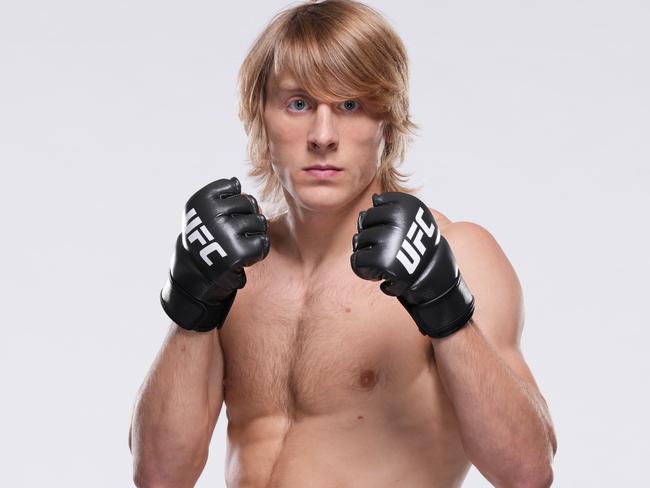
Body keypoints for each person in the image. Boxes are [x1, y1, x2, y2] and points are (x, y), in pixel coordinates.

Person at [129, 1, 557, 486]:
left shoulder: (458, 252)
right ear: (259, 118)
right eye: (298, 104)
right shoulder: (232, 269)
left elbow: (527, 472)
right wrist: (191, 306)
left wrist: (446, 309)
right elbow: (159, 476)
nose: (323, 135)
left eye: (350, 105)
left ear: (388, 123)